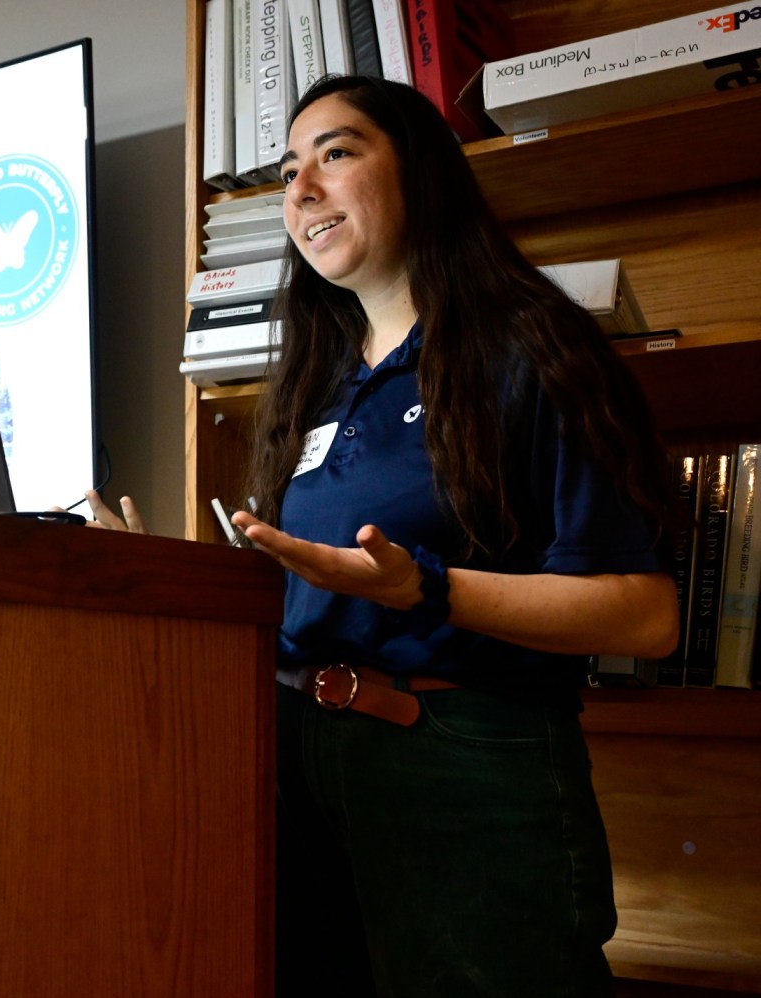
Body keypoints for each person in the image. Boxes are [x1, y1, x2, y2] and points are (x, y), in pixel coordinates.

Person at [85, 73, 680, 996]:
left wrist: (428, 590)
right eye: (289, 171)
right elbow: (306, 591)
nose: (301, 189)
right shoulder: (316, 383)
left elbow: (645, 617)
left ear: (420, 172)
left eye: (337, 153)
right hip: (296, 763)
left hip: (459, 766)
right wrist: (161, 575)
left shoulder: (533, 351)